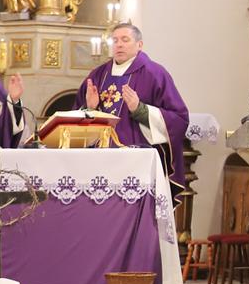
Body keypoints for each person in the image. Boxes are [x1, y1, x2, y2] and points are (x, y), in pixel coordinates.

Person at [81, 23, 190, 189]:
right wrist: (90, 108)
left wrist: (140, 110)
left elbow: (179, 119)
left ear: (140, 45)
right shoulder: (97, 75)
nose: (119, 44)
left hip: (137, 160)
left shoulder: (155, 73)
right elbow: (75, 118)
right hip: (98, 159)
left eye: (125, 40)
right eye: (115, 40)